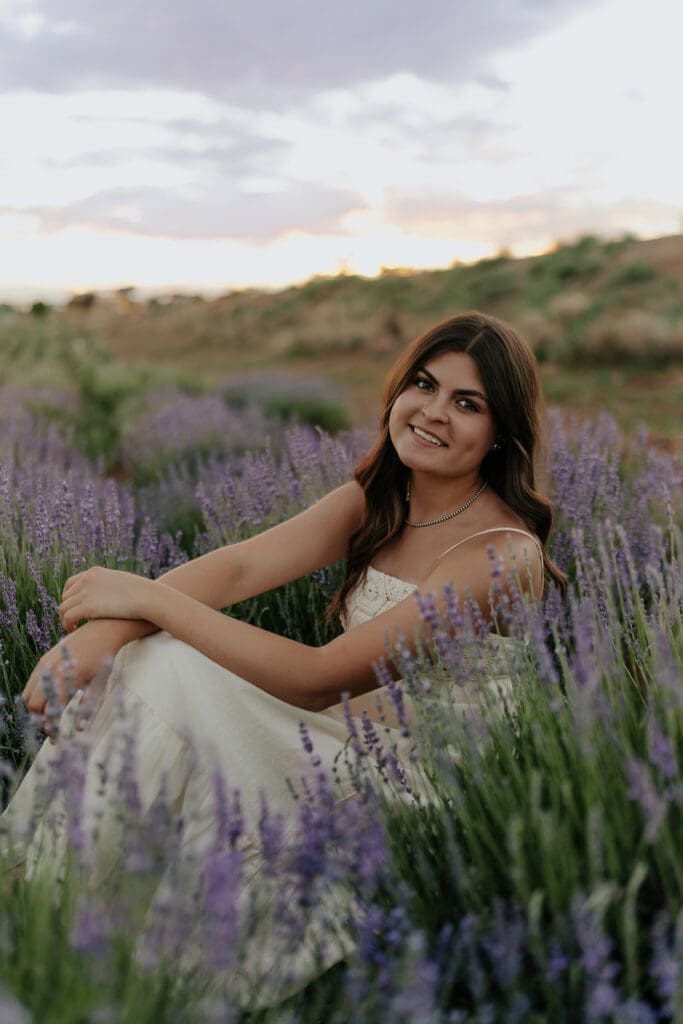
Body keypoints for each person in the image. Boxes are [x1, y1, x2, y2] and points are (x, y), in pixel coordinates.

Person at [3, 311, 565, 987]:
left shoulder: (500, 553)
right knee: (146, 658)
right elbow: (237, 571)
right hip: (338, 740)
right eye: (424, 383)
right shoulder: (377, 501)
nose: (433, 412)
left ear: (501, 431)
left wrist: (147, 601)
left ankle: (47, 902)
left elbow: (319, 677)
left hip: (416, 789)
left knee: (173, 661)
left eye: (466, 403)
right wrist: (103, 634)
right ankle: (43, 897)